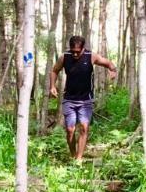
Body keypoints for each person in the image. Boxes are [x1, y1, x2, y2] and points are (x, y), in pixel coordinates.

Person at [49, 35, 116, 163]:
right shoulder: (64, 57)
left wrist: (113, 70)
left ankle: (78, 159)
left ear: (83, 49)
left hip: (86, 100)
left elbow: (108, 63)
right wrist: (52, 86)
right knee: (70, 130)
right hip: (69, 99)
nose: (74, 54)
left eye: (77, 52)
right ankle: (73, 154)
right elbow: (54, 70)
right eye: (72, 51)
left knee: (84, 128)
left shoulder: (91, 56)